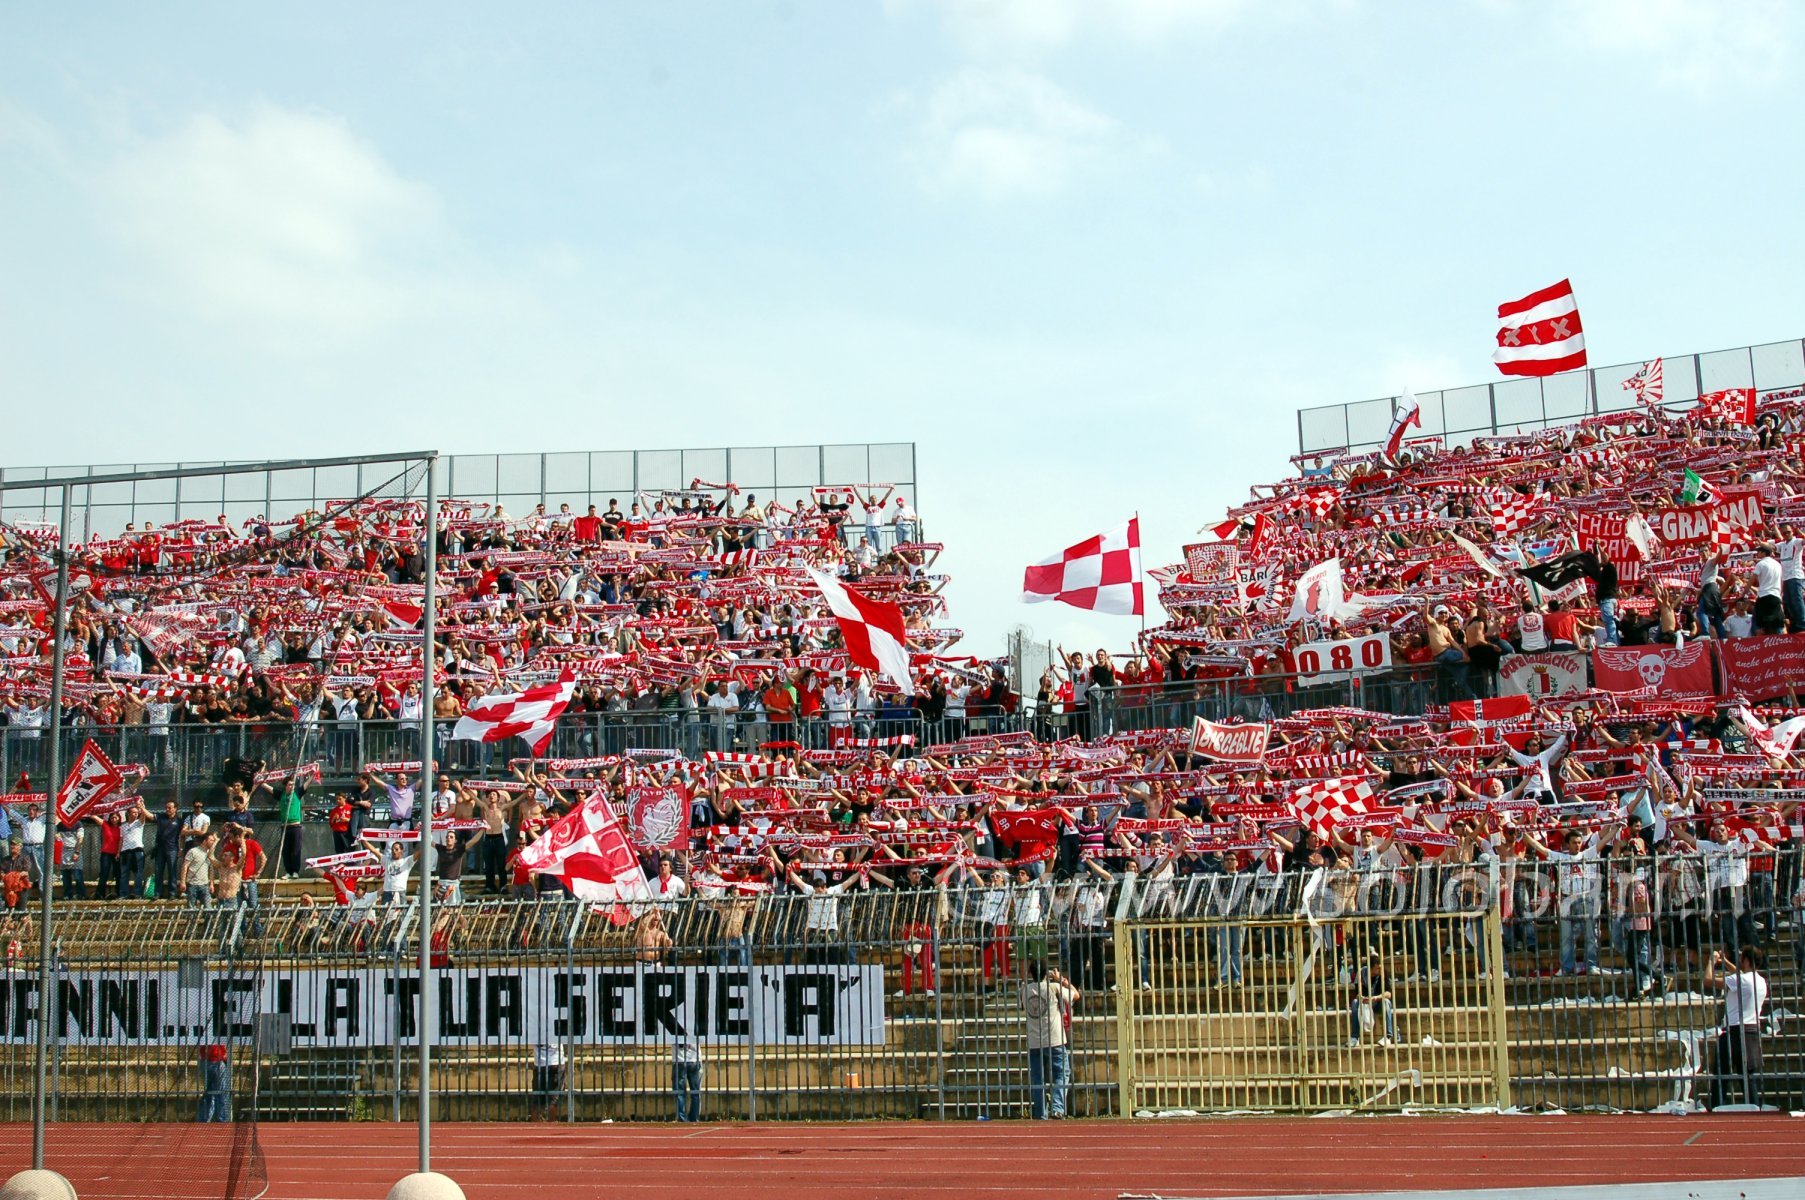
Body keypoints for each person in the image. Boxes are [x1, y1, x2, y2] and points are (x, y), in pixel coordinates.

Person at [1706, 945, 1768, 1109]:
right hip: (1752, 1031)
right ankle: (1754, 1107)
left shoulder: (1741, 980)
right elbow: (1740, 976)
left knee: (1721, 1073)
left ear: (1746, 960)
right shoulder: (1760, 981)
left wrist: (1711, 962)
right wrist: (1725, 961)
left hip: (1733, 1030)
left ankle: (1717, 1107)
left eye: (1741, 958)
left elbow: (1708, 980)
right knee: (1747, 1075)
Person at [1020, 959, 1079, 1119]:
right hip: (1055, 1039)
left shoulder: (1024, 990)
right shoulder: (1054, 987)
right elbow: (1076, 995)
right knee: (1062, 1072)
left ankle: (1041, 1113)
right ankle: (1057, 1108)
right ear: (1047, 973)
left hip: (1034, 1041)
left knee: (1038, 1078)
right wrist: (1062, 980)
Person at [531, 1041, 567, 1121]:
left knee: (537, 1100)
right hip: (555, 1062)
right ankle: (552, 1123)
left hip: (539, 1063)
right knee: (554, 1099)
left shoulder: (535, 1028)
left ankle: (534, 1127)